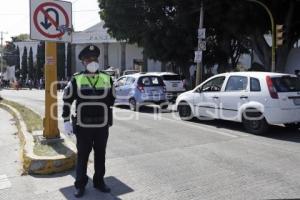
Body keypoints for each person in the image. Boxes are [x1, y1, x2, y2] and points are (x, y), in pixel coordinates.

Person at [62, 45, 115, 198]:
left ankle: (99, 182)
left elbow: (112, 99)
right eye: (88, 59)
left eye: (94, 58)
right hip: (83, 126)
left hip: (101, 125)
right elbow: (67, 100)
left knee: (100, 155)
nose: (92, 61)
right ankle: (80, 185)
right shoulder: (77, 78)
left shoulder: (106, 77)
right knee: (83, 156)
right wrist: (66, 120)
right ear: (83, 62)